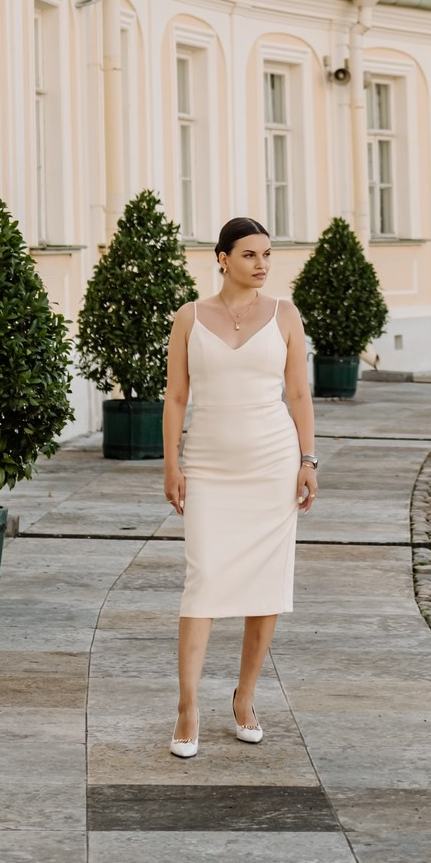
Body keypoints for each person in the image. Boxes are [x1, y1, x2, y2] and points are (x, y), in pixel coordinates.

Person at [162, 216, 318, 756]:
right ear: (222, 258)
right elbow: (176, 398)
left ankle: (245, 698)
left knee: (265, 586)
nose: (262, 265)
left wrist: (308, 459)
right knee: (201, 580)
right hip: (207, 465)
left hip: (272, 464)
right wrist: (171, 465)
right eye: (250, 255)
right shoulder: (189, 317)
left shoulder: (285, 315)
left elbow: (299, 395)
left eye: (268, 255)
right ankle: (187, 706)